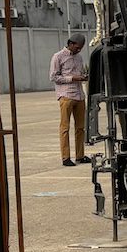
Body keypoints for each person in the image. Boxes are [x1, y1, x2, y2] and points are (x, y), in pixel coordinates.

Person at [50, 32, 90, 166]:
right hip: (66, 96)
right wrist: (72, 78)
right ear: (71, 44)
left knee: (80, 128)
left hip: (79, 95)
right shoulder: (58, 57)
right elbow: (54, 77)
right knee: (65, 127)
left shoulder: (79, 58)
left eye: (81, 48)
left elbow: (80, 73)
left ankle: (80, 155)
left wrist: (84, 76)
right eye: (77, 47)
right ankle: (65, 157)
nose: (78, 50)